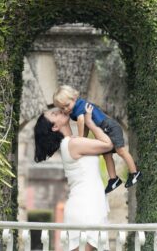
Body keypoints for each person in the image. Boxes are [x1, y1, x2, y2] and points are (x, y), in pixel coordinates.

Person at [34, 104, 111, 251]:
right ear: (55, 127)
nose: (58, 111)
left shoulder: (73, 141)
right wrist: (90, 122)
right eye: (54, 114)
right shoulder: (72, 144)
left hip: (90, 205)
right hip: (85, 208)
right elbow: (108, 144)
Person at [53, 85, 141, 193]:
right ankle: (114, 179)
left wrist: (80, 138)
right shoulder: (73, 111)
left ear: (74, 98)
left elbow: (81, 121)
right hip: (102, 130)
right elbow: (85, 125)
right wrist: (83, 138)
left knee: (120, 151)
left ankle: (134, 172)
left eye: (67, 105)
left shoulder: (79, 105)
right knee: (107, 155)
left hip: (109, 127)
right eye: (62, 108)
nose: (66, 109)